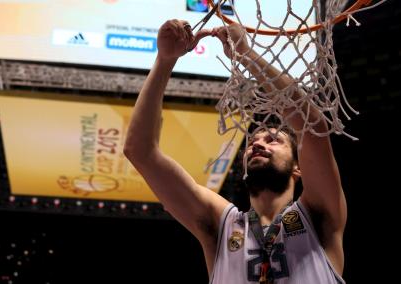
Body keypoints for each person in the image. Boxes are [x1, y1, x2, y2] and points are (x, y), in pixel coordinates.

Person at [124, 19, 346, 284]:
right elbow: (140, 152)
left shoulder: (319, 215)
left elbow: (312, 127)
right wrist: (164, 61)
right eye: (253, 141)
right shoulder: (221, 224)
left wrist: (247, 55)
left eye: (274, 140)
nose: (258, 144)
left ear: (298, 168)